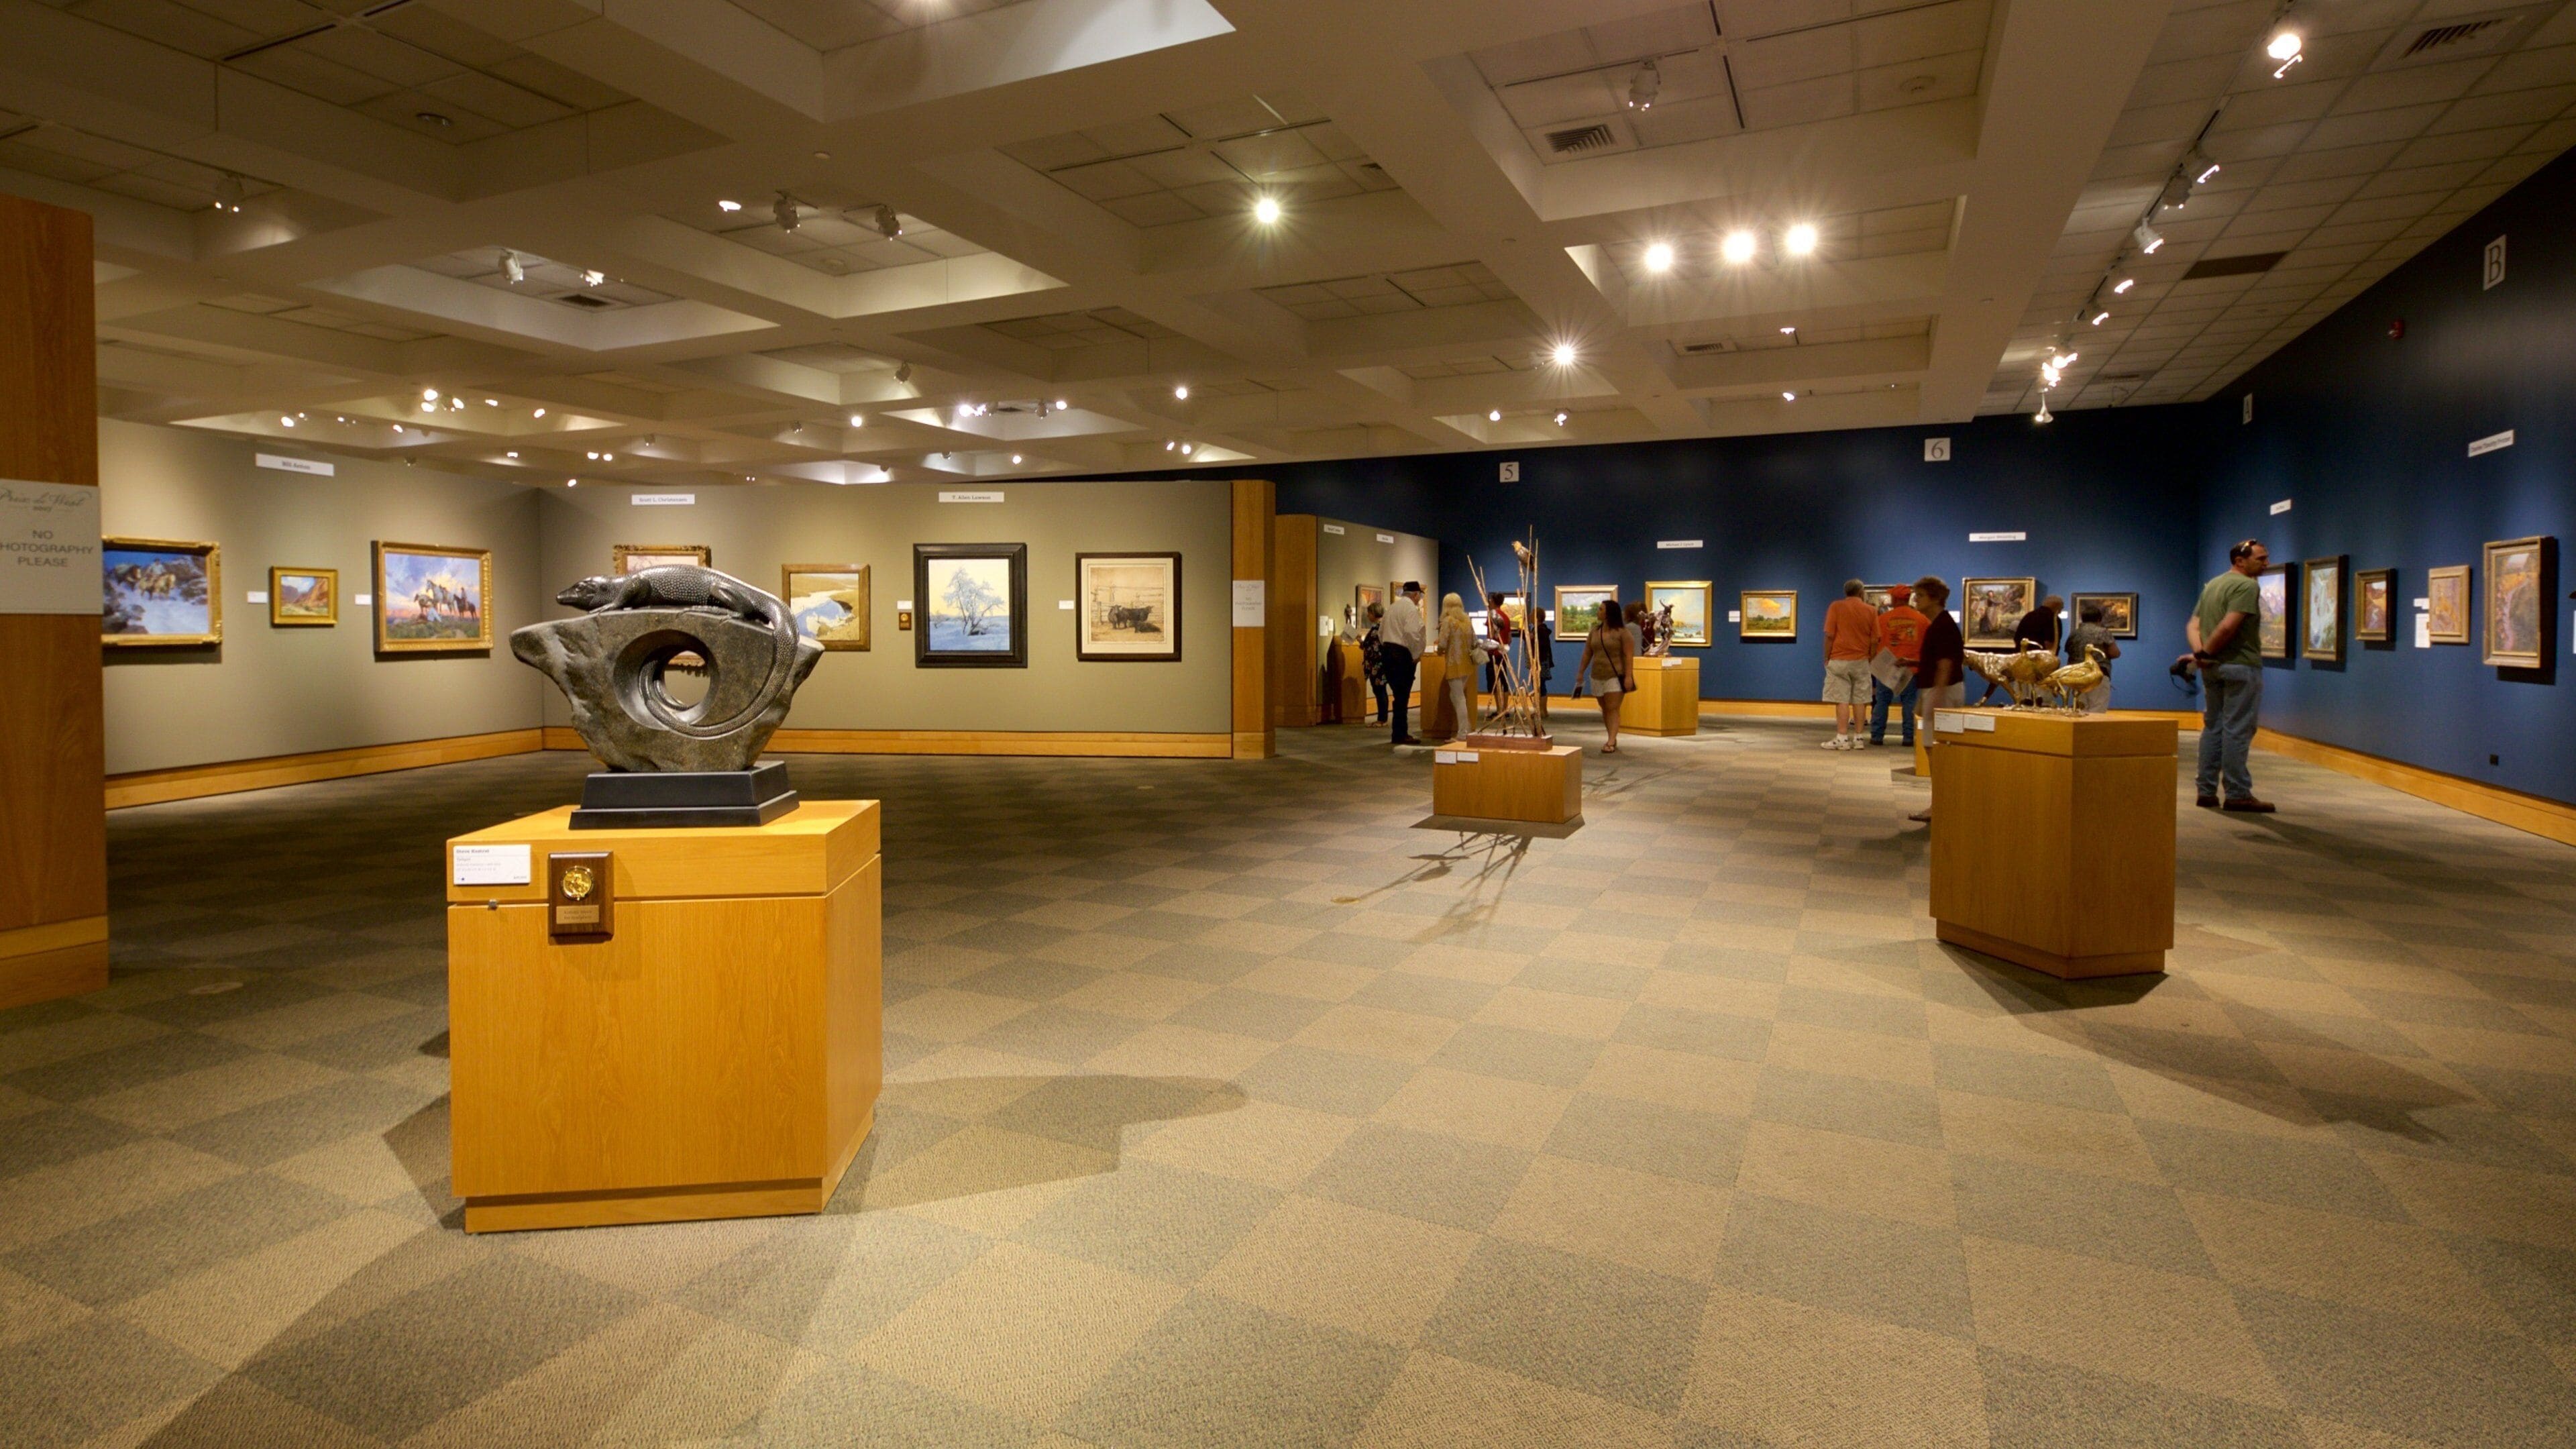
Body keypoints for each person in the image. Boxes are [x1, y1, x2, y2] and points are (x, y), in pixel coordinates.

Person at [2188, 540, 2273, 811]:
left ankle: (2206, 791)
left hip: (2213, 668)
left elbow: (2194, 625)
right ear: (2240, 561)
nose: (2266, 563)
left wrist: (2201, 655)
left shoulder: (2213, 585)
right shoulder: (2247, 586)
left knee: (2213, 727)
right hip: (2240, 666)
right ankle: (2237, 793)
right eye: (2260, 559)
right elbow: (2228, 627)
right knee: (2237, 729)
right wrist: (2205, 654)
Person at [1909, 576, 1964, 823]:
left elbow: (1946, 664)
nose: (1916, 600)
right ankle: (1941, 803)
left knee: (1937, 751)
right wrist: (1913, 664)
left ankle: (1939, 805)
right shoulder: (1939, 624)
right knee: (1935, 750)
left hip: (1942, 691)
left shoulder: (1942, 625)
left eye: (1919, 596)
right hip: (1939, 689)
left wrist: (1936, 696)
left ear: (1934, 598)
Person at [1820, 578, 1876, 749]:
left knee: (1841, 699)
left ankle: (1842, 738)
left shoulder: (1836, 607)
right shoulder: (1871, 610)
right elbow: (1875, 639)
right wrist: (1870, 658)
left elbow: (1829, 635)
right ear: (1861, 592)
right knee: (1861, 699)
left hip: (1839, 659)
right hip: (1861, 660)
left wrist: (1826, 657)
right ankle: (1859, 738)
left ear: (1846, 592)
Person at [1870, 586, 1928, 746]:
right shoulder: (1922, 620)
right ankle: (1908, 738)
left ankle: (1877, 736)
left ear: (1896, 599)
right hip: (1911, 668)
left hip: (1887, 667)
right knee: (1909, 703)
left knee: (1882, 702)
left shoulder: (1883, 619)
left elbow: (1875, 641)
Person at [1576, 600, 1635, 753]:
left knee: (1612, 707)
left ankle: (1611, 740)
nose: (1598, 611)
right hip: (1597, 675)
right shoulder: (1595, 632)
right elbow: (1587, 653)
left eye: (1601, 609)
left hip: (1615, 675)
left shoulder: (1623, 633)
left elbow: (1629, 656)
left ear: (1608, 613)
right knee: (1604, 708)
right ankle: (1612, 736)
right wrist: (1581, 672)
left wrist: (1629, 677)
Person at [1381, 582, 1426, 746]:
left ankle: (1398, 732)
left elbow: (1381, 632)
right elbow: (1412, 633)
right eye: (1419, 596)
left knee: (1398, 696)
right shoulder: (1411, 610)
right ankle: (1400, 734)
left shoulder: (1392, 608)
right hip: (1401, 654)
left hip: (1387, 652)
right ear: (1415, 595)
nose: (1419, 599)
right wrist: (1416, 654)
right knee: (1403, 697)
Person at [1436, 592, 1487, 737]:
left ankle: (1463, 733)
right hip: (1467, 664)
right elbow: (1474, 641)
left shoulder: (1448, 621)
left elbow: (1442, 643)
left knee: (1458, 698)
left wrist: (1440, 650)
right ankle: (1468, 728)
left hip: (1454, 664)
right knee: (1456, 696)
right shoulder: (1467, 621)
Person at [2064, 601, 2121, 713]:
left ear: (2083, 619)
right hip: (2097, 673)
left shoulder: (2074, 633)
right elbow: (2115, 653)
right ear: (2099, 620)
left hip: (2076, 674)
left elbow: (2068, 651)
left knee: (2079, 707)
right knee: (2097, 707)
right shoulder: (2102, 632)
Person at [1360, 602, 1389, 724]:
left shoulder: (1378, 628)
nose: (1368, 615)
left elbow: (1375, 647)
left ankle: (1382, 719)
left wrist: (1364, 645)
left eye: (1369, 613)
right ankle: (1382, 718)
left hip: (1378, 665)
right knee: (1380, 690)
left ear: (1374, 613)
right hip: (1378, 665)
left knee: (1380, 690)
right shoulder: (1380, 627)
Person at [1485, 592, 1515, 714]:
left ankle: (1499, 710)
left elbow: (1491, 636)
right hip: (1503, 653)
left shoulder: (1493, 616)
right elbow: (1509, 639)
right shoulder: (1506, 617)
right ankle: (1505, 709)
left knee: (1495, 682)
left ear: (1493, 601)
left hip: (1493, 654)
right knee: (1504, 681)